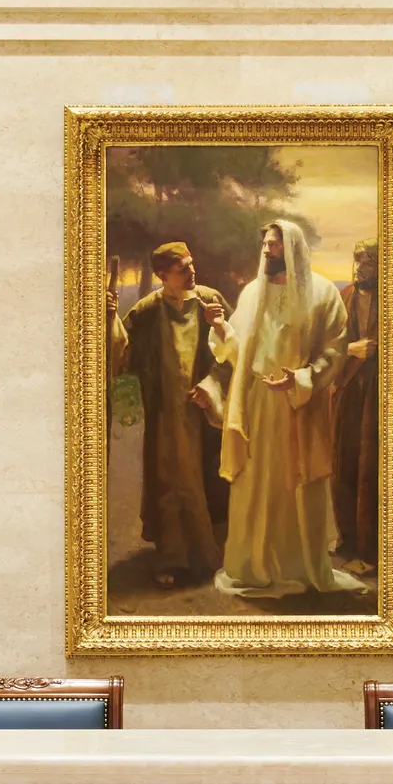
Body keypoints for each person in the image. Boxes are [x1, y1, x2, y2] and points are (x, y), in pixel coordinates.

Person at [215, 218, 352, 600]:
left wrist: (302, 378)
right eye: (264, 243)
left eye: (273, 244)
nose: (266, 250)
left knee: (296, 485)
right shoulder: (252, 293)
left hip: (299, 407)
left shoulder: (323, 294)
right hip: (259, 404)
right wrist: (222, 330)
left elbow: (335, 350)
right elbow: (239, 350)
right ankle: (252, 564)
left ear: (291, 247)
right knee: (258, 482)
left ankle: (297, 566)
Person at [109, 242, 227, 585]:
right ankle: (172, 558)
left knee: (205, 477)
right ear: (162, 276)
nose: (192, 273)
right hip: (165, 413)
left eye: (192, 265)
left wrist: (211, 386)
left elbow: (234, 350)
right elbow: (121, 353)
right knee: (168, 479)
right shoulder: (147, 311)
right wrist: (108, 317)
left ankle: (208, 555)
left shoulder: (210, 300)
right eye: (183, 270)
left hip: (205, 410)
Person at [331, 242, 379, 576]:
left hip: (379, 395)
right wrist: (351, 348)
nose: (361, 266)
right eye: (357, 259)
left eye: (369, 260)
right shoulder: (343, 296)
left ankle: (370, 551)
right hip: (346, 389)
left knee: (370, 470)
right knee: (341, 464)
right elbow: (326, 343)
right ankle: (347, 541)